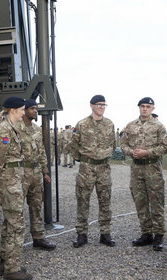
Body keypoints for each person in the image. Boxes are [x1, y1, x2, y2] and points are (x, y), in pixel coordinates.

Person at [0, 96, 33, 280]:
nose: (24, 112)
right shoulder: (4, 130)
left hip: (12, 179)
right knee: (16, 224)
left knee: (9, 222)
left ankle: (5, 262)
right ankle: (12, 270)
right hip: (8, 181)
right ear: (13, 110)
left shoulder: (11, 128)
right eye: (21, 109)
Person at [120, 97, 167, 251]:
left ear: (152, 109)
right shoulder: (131, 126)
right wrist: (131, 152)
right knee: (140, 201)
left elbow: (164, 147)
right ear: (139, 107)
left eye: (148, 106)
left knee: (156, 201)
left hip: (152, 168)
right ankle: (146, 233)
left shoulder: (159, 126)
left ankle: (159, 234)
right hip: (136, 169)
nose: (145, 109)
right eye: (142, 106)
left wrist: (146, 152)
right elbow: (123, 144)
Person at [68, 94, 116, 248]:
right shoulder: (82, 124)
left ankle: (105, 233)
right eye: (99, 104)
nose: (102, 107)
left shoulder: (109, 124)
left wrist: (104, 156)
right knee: (83, 200)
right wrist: (83, 159)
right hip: (86, 168)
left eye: (104, 104)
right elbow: (73, 145)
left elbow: (113, 144)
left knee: (105, 201)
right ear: (91, 106)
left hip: (104, 168)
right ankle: (82, 234)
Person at [16, 99, 56, 251]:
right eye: (32, 108)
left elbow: (41, 152)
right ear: (24, 110)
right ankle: (15, 245)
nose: (35, 111)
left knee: (36, 206)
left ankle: (38, 238)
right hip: (20, 173)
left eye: (36, 108)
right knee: (17, 209)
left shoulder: (37, 130)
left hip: (36, 173)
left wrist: (45, 171)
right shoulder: (15, 128)